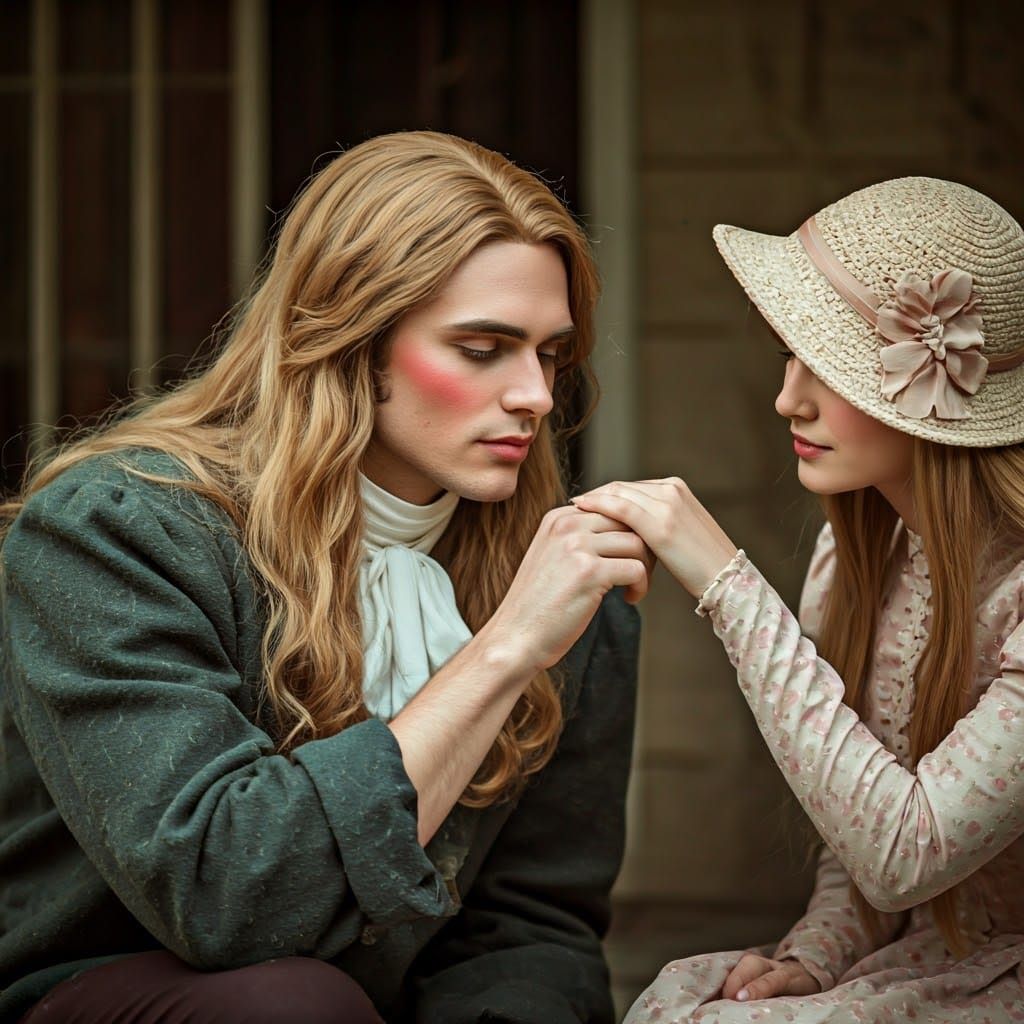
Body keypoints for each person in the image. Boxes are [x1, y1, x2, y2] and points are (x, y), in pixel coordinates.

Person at [0, 131, 645, 1024]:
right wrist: (501, 653)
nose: (536, 393)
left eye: (550, 353)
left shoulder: (562, 584)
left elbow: (531, 927)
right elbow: (225, 899)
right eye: (484, 347)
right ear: (354, 343)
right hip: (112, 990)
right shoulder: (115, 531)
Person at [574, 177, 1024, 1022]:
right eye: (794, 355)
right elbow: (855, 847)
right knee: (682, 1003)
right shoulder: (856, 560)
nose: (790, 399)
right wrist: (814, 960)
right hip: (936, 960)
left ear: (935, 396)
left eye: (833, 368)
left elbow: (906, 850)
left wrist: (726, 585)